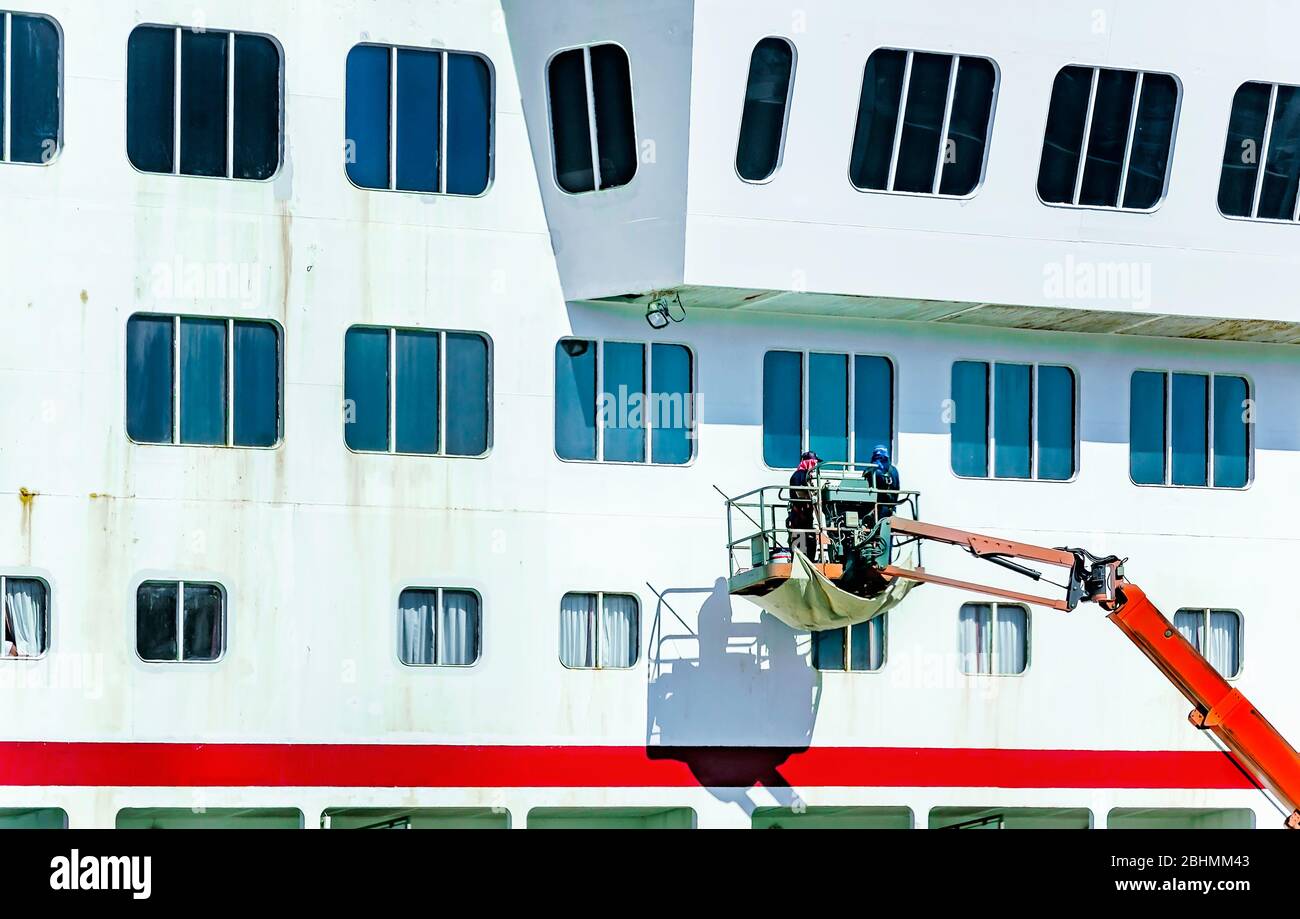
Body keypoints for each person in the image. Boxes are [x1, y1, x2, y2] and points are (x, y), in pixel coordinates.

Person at [786, 451, 821, 560]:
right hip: (799, 516)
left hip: (806, 516)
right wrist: (811, 496)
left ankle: (808, 562)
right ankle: (799, 563)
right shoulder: (798, 476)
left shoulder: (806, 476)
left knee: (810, 540)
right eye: (814, 463)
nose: (815, 466)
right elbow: (798, 494)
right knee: (800, 541)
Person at [864, 445, 900, 518]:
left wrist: (893, 508)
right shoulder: (869, 471)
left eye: (881, 458)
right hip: (874, 507)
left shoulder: (892, 471)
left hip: (883, 506)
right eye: (877, 458)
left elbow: (896, 490)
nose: (879, 461)